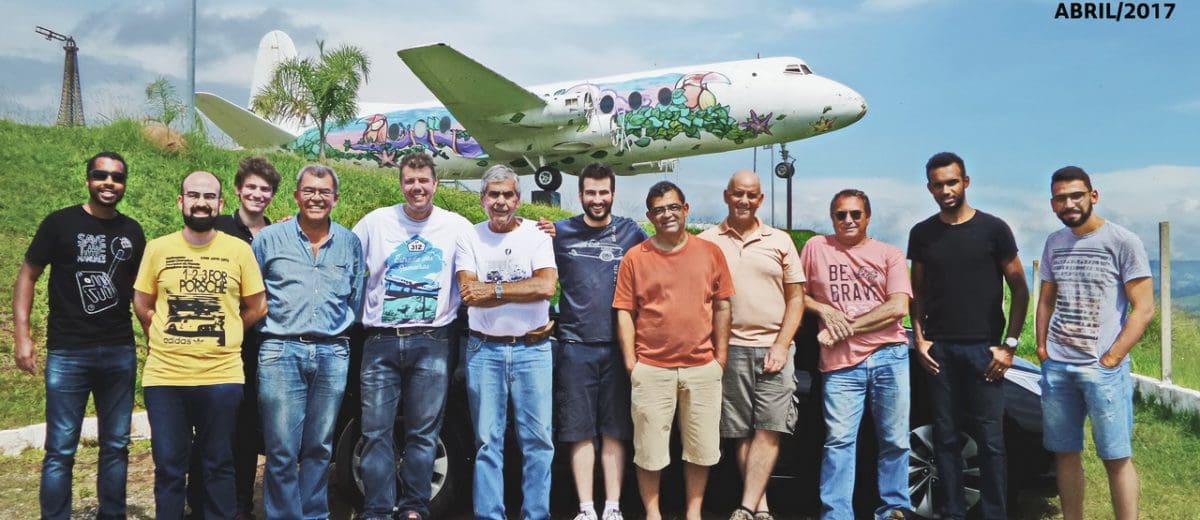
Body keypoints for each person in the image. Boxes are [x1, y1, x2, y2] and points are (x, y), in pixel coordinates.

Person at [12, 151, 145, 520]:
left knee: (116, 445)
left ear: (124, 184)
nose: (109, 182)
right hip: (68, 352)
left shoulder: (132, 232)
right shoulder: (60, 224)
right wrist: (22, 336)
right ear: (88, 179)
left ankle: (112, 514)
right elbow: (27, 276)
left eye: (117, 177)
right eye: (101, 175)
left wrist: (155, 335)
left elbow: (140, 291)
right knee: (60, 449)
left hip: (119, 350)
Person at [133, 171, 267, 519]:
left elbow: (257, 306)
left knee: (219, 464)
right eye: (194, 195)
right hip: (165, 379)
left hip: (222, 377)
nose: (201, 203)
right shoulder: (158, 248)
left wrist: (230, 330)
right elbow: (142, 303)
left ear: (220, 203)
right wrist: (160, 334)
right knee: (169, 468)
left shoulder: (238, 251)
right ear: (181, 201)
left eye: (209, 197)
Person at [907, 152, 1029, 520]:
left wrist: (1009, 345)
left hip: (985, 351)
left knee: (991, 441)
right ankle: (953, 513)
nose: (946, 190)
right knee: (945, 438)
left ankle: (994, 514)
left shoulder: (994, 229)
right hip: (940, 350)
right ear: (929, 188)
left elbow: (1020, 289)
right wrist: (920, 338)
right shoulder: (922, 234)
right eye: (938, 185)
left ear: (966, 182)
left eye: (952, 182)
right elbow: (917, 292)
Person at [352, 153, 473, 520]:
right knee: (375, 431)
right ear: (401, 184)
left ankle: (414, 509)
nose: (416, 187)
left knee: (423, 433)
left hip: (433, 341)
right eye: (409, 181)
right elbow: (341, 254)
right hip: (380, 341)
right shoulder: (375, 222)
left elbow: (490, 248)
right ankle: (376, 510)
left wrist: (542, 230)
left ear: (435, 184)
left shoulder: (456, 226)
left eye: (423, 181)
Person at [1036, 166, 1153, 520]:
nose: (1069, 203)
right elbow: (1046, 299)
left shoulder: (1122, 241)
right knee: (1064, 453)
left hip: (1102, 369)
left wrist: (1112, 358)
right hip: (1058, 367)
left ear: (1093, 196)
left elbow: (1144, 308)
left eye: (1076, 195)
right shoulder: (1054, 242)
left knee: (1116, 456)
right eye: (1061, 198)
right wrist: (1042, 349)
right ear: (1053, 204)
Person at [613, 181, 733, 520]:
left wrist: (720, 359)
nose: (667, 214)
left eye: (673, 207)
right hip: (652, 368)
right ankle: (653, 514)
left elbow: (723, 306)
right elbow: (624, 311)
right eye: (659, 210)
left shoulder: (710, 253)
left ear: (685, 209)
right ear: (650, 216)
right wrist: (632, 362)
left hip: (702, 368)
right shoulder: (636, 257)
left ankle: (693, 513)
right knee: (649, 450)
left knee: (701, 449)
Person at [252, 164, 364, 519]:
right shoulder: (269, 239)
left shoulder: (349, 242)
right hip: (281, 350)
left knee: (320, 446)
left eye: (324, 192)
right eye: (310, 190)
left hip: (333, 352)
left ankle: (314, 514)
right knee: (282, 448)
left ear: (336, 198)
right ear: (296, 195)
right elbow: (252, 294)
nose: (317, 198)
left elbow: (356, 299)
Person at [698, 171, 804, 520]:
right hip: (729, 348)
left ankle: (747, 507)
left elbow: (796, 299)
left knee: (771, 427)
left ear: (760, 199)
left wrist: (782, 345)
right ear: (726, 195)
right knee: (741, 432)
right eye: (738, 194)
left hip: (774, 347)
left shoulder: (780, 240)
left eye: (751, 195)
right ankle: (760, 509)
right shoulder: (707, 241)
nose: (744, 201)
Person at [455, 165, 558, 520]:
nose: (501, 202)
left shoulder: (537, 234)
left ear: (518, 198)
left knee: (539, 442)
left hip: (533, 350)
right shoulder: (470, 236)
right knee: (487, 442)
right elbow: (469, 293)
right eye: (494, 195)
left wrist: (494, 289)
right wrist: (521, 289)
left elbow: (546, 286)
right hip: (485, 350)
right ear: (482, 199)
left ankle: (537, 515)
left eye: (508, 194)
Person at [801, 190, 912, 520]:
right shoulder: (815, 248)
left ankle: (893, 510)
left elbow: (898, 306)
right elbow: (795, 294)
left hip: (889, 356)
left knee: (895, 440)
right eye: (841, 215)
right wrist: (822, 308)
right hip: (840, 364)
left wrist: (844, 328)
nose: (848, 220)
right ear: (832, 217)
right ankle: (836, 514)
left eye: (855, 214)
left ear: (868, 217)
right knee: (838, 443)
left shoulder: (889, 254)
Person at [546, 163, 647, 520]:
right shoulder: (560, 232)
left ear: (613, 194)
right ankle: (587, 508)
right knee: (579, 431)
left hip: (620, 347)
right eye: (591, 192)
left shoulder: (631, 232)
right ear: (581, 195)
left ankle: (613, 507)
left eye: (604, 192)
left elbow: (658, 263)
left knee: (616, 431)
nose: (597, 199)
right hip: (575, 346)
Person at [190, 155, 281, 520]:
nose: (257, 194)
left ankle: (241, 504)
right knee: (210, 428)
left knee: (246, 430)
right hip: (218, 343)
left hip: (260, 344)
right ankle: (198, 503)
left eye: (265, 189)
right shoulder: (218, 228)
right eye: (251, 187)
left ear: (272, 195)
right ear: (238, 190)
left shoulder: (277, 233)